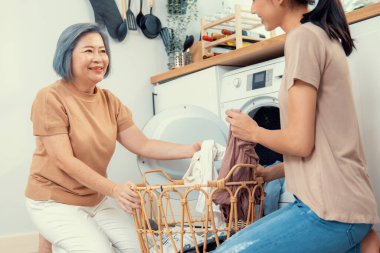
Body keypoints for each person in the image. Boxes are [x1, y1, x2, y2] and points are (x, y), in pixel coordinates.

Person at [213, 0, 379, 252]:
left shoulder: (303, 38)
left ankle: (360, 241)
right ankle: (361, 243)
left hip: (329, 212)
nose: (252, 9)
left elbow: (301, 143)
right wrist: (272, 173)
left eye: (254, 0)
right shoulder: (319, 35)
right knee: (233, 243)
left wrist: (253, 131)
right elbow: (324, 148)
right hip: (339, 206)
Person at [25, 23, 201, 253]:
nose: (99, 58)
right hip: (53, 200)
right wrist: (115, 190)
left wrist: (191, 149)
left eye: (103, 51)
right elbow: (64, 161)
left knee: (142, 249)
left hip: (95, 199)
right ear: (67, 55)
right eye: (88, 51)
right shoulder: (50, 98)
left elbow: (143, 144)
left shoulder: (109, 101)